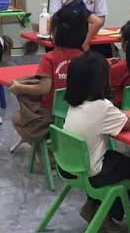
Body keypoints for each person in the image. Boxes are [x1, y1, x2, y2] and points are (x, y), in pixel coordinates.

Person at [61, 52, 130, 225]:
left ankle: (91, 206)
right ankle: (108, 215)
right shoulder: (102, 106)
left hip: (68, 165)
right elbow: (129, 124)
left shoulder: (75, 103)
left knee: (114, 159)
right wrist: (125, 117)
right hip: (90, 172)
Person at [10, 9, 87, 144]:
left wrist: (19, 88)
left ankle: (45, 154)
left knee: (16, 119)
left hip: (53, 116)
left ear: (54, 32)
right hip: (82, 115)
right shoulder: (87, 58)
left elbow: (44, 89)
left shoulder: (50, 58)